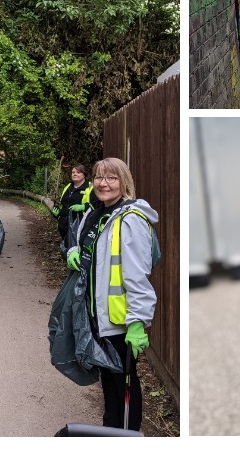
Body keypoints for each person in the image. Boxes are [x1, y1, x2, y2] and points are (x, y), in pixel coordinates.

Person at [66, 158, 158, 432]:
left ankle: (127, 436)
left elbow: (138, 274)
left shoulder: (130, 220)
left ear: (124, 181)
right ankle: (110, 430)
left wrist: (138, 321)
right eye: (99, 177)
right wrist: (74, 253)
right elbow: (91, 254)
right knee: (108, 380)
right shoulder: (96, 213)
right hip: (98, 314)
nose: (103, 183)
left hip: (122, 321)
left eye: (111, 178)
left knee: (124, 383)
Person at [53, 162, 94, 252]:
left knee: (77, 249)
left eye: (78, 172)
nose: (75, 174)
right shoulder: (68, 187)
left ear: (84, 174)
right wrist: (57, 213)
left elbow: (97, 205)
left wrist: (83, 207)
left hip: (80, 225)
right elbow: (63, 205)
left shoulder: (90, 188)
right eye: (73, 172)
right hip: (65, 225)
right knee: (67, 248)